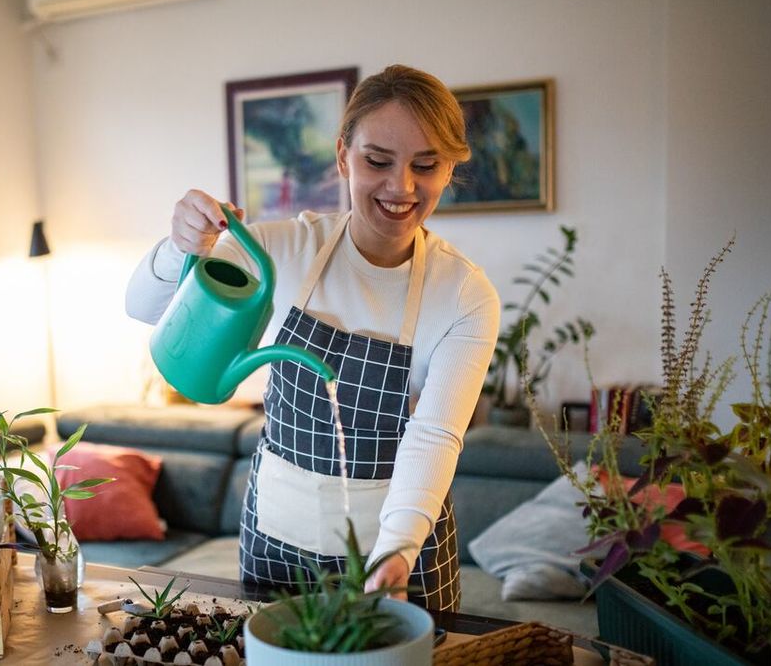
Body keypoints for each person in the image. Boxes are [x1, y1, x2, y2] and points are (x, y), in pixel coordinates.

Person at [125, 64, 500, 611]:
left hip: (397, 554)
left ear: (449, 170)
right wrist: (179, 245)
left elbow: (435, 435)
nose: (402, 187)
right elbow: (142, 306)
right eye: (378, 161)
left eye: (426, 165)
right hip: (277, 544)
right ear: (343, 154)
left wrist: (396, 551)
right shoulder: (282, 251)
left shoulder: (463, 295)